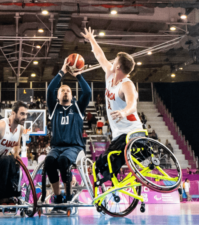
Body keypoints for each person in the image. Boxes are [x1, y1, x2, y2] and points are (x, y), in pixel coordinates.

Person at [81, 27, 143, 187]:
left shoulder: (127, 84)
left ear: (118, 67)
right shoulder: (110, 74)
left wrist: (123, 112)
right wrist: (91, 39)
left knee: (105, 163)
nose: (111, 62)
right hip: (118, 135)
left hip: (131, 133)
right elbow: (99, 55)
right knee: (102, 165)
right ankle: (113, 188)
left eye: (114, 61)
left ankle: (114, 188)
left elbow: (132, 105)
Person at [44, 53, 91, 212]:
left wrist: (78, 75)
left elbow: (88, 92)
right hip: (56, 147)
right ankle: (58, 197)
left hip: (74, 147)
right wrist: (62, 71)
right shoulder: (54, 108)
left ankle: (69, 196)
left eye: (68, 91)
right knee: (49, 162)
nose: (65, 92)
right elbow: (50, 90)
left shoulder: (78, 107)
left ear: (72, 95)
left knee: (63, 161)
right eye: (62, 90)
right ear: (58, 96)